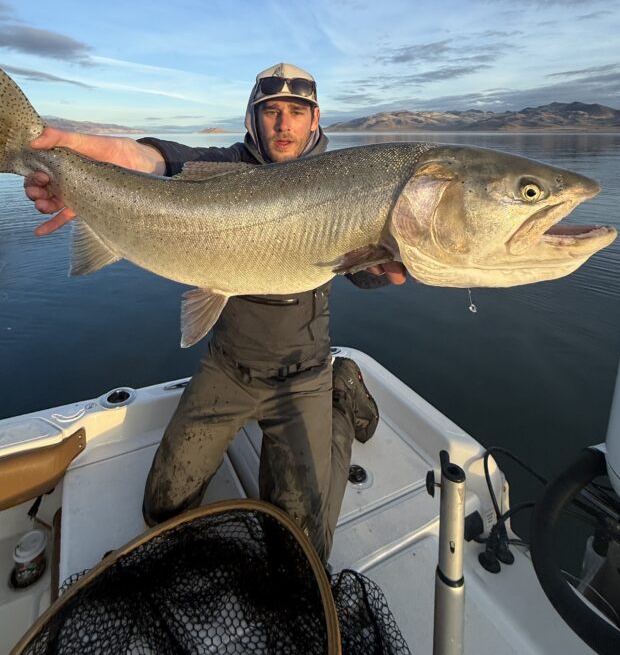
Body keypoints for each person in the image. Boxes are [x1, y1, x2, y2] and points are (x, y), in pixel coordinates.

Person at [24, 62, 406, 561]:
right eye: (271, 111)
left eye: (296, 112)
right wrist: (73, 157)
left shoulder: (346, 181)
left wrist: (389, 266)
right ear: (253, 118)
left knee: (298, 552)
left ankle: (339, 398)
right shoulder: (221, 165)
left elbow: (358, 268)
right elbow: (151, 159)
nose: (283, 124)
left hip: (305, 372)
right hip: (229, 367)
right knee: (161, 510)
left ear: (315, 121)